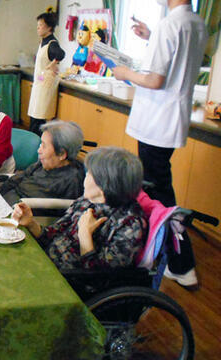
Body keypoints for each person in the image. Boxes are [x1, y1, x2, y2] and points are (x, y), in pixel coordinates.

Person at [111, 0, 207, 287]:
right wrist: (152, 36)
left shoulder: (171, 24)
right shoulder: (195, 22)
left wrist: (124, 73)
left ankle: (181, 262)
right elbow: (178, 58)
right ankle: (161, 252)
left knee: (159, 194)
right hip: (169, 119)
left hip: (156, 122)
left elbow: (155, 80)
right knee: (157, 188)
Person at [12, 147, 147, 270]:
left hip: (69, 281)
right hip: (47, 261)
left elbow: (100, 278)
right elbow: (54, 233)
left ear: (104, 186)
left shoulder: (130, 224)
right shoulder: (87, 201)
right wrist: (31, 223)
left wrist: (85, 235)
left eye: (89, 174)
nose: (85, 177)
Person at [0, 120, 85, 206]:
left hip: (22, 210)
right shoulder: (45, 163)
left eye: (44, 146)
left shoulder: (72, 181)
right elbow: (22, 176)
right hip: (7, 196)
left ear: (61, 154)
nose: (39, 150)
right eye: (40, 145)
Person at [28, 9, 65, 135]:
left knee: (40, 119)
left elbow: (61, 54)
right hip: (39, 85)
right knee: (34, 116)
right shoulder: (43, 42)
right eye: (37, 25)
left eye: (41, 25)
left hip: (45, 88)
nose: (38, 28)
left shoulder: (52, 43)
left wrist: (54, 62)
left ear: (49, 27)